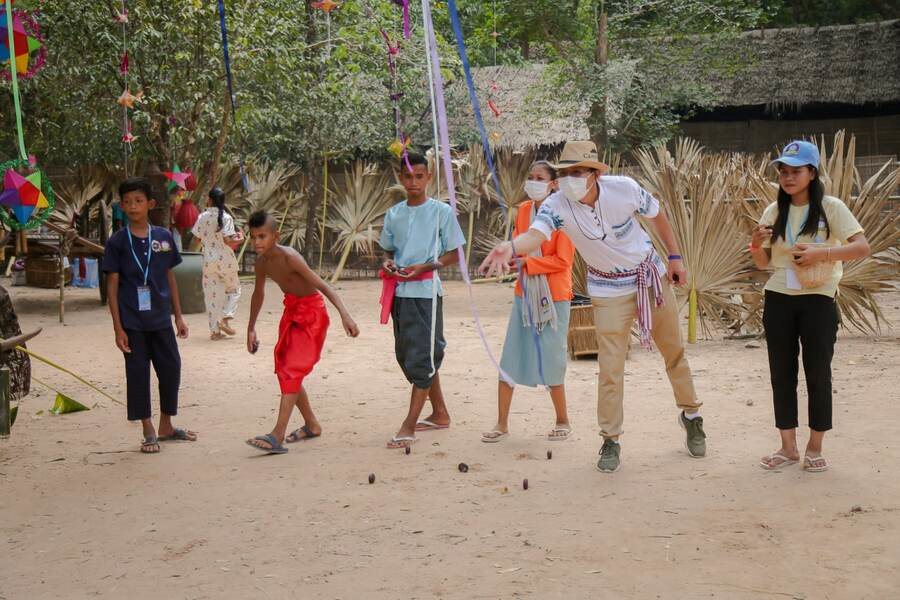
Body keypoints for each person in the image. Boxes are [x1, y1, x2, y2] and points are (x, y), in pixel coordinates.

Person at [480, 140, 704, 473]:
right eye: (566, 172)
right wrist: (510, 247)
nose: (571, 178)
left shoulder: (624, 189)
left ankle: (691, 415)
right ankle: (610, 440)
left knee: (673, 351)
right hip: (607, 289)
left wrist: (674, 257)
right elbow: (535, 237)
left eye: (578, 172)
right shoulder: (556, 205)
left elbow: (658, 216)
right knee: (610, 367)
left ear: (594, 174)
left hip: (649, 275)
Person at [751, 140, 870, 472]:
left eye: (795, 171)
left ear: (812, 173)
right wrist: (754, 244)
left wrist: (823, 253)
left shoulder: (831, 207)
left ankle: (815, 447)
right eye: (783, 172)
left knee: (818, 371)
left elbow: (862, 247)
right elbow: (763, 263)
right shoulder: (774, 211)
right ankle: (787, 447)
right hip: (778, 297)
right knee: (781, 373)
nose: (788, 178)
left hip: (818, 297)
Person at [245, 210, 359, 455]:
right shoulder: (261, 263)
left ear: (275, 236)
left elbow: (322, 285)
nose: (256, 242)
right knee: (285, 369)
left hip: (312, 315)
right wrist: (251, 327)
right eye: (253, 237)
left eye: (262, 236)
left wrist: (344, 314)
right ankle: (312, 424)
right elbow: (258, 293)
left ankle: (277, 434)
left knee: (291, 370)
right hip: (292, 312)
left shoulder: (290, 258)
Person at [482, 160, 575, 443]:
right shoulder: (523, 211)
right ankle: (501, 424)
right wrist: (513, 263)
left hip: (554, 296)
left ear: (553, 184)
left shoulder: (564, 213)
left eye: (540, 177)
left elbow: (562, 261)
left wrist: (528, 263)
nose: (533, 181)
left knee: (552, 358)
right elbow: (517, 246)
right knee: (510, 355)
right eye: (530, 176)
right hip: (524, 293)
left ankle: (563, 420)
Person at [103, 177, 196, 454]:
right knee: (138, 373)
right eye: (128, 202)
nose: (133, 206)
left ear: (150, 204)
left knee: (171, 369)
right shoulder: (118, 242)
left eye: (139, 201)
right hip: (132, 322)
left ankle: (167, 424)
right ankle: (148, 428)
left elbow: (170, 278)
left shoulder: (164, 238)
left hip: (160, 319)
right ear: (121, 206)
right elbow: (112, 286)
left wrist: (178, 316)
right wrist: (118, 328)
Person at [380, 151, 466, 449]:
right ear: (400, 178)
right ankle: (440, 413)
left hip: (426, 294)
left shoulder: (441, 212)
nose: (413, 182)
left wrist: (427, 266)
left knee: (423, 356)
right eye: (407, 177)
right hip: (400, 295)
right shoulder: (394, 214)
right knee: (409, 354)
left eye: (419, 176)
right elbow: (388, 250)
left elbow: (455, 253)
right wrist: (389, 263)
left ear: (428, 177)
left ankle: (408, 426)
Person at [191, 187, 244, 340]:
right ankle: (225, 319)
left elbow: (197, 238)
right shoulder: (227, 218)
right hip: (225, 260)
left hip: (208, 260)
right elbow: (229, 240)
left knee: (211, 296)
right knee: (234, 289)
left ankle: (215, 332)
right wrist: (240, 238)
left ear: (210, 199)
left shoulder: (202, 217)